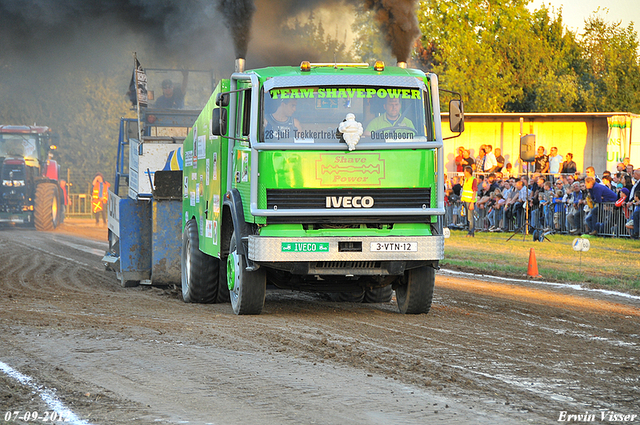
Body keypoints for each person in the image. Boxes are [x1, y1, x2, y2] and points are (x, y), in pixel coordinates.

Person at [460, 166, 478, 237]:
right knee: (467, 217)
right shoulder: (465, 180)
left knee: (470, 217)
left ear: (468, 172)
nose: (464, 173)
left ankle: (471, 232)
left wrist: (472, 202)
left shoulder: (473, 180)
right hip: (465, 201)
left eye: (464, 171)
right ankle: (469, 230)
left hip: (470, 201)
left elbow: (474, 191)